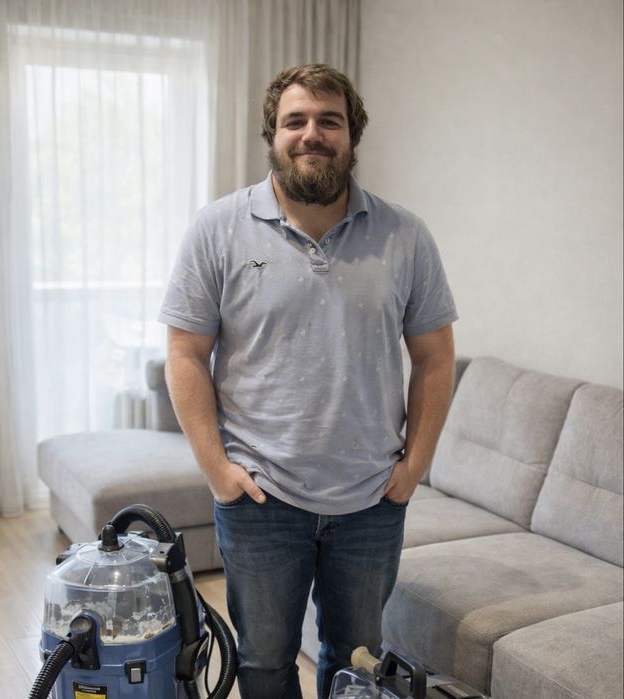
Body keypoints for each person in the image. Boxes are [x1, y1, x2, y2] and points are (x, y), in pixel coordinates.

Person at [159, 63, 458, 699]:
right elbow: (185, 354)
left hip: (371, 499)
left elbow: (435, 358)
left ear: (352, 135)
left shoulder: (405, 235)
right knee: (264, 663)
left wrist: (414, 467)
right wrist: (218, 471)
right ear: (273, 133)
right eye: (295, 120)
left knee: (356, 665)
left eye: (330, 121)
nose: (312, 134)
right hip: (260, 497)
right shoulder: (218, 228)